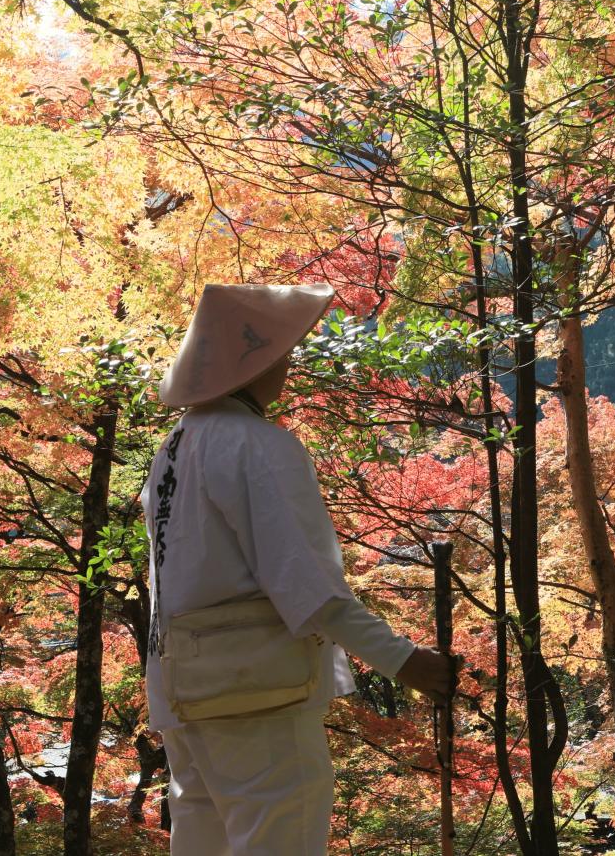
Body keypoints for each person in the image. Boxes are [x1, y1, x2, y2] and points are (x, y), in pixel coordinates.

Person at [141, 282, 453, 855]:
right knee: (279, 834)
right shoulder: (256, 444)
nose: (285, 365)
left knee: (201, 839)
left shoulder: (172, 450)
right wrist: (403, 660)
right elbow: (307, 587)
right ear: (251, 361)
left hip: (181, 685)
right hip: (254, 692)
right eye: (277, 353)